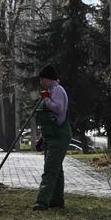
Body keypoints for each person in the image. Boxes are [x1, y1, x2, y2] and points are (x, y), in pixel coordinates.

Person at [34, 64, 71, 211]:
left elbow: (58, 108)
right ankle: (57, 200)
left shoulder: (57, 90)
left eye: (41, 79)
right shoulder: (50, 91)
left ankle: (42, 201)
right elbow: (48, 118)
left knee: (50, 169)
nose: (40, 83)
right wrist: (42, 139)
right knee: (56, 169)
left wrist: (46, 99)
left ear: (46, 79)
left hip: (59, 136)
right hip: (50, 136)